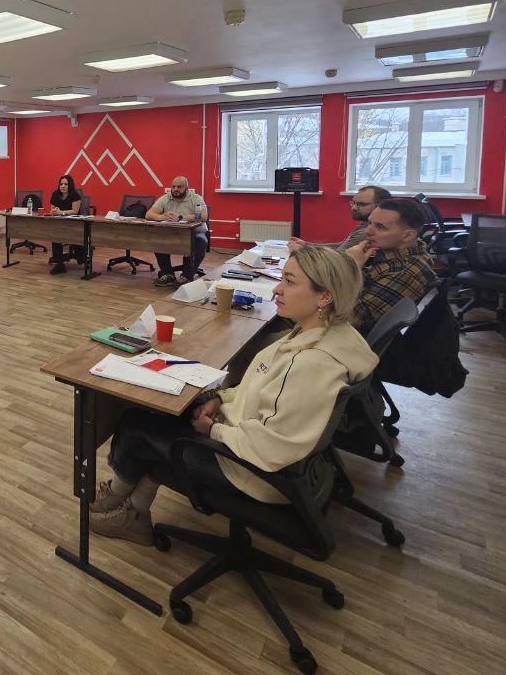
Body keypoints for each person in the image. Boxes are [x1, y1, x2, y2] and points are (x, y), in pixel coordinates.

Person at [90, 246, 376, 544]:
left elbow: (269, 447)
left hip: (253, 472)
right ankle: (132, 505)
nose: (277, 289)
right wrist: (222, 399)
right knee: (166, 412)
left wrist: (213, 430)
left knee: (135, 425)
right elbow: (261, 385)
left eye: (290, 282)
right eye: (281, 279)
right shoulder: (326, 334)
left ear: (325, 297)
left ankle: (123, 506)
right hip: (262, 450)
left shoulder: (310, 363)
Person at [345, 197, 435, 335]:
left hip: (353, 339)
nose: (368, 231)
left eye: (380, 227)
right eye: (370, 223)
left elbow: (355, 320)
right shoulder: (387, 253)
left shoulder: (404, 271)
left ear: (407, 236)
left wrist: (350, 267)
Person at [146, 176, 209, 286]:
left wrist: (180, 217)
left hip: (195, 232)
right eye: (173, 186)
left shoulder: (196, 198)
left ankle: (187, 276)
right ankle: (168, 274)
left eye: (179, 187)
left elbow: (203, 216)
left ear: (187, 188)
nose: (175, 189)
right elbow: (149, 214)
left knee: (200, 242)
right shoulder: (165, 198)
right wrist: (163, 217)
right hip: (172, 232)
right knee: (158, 239)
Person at [289, 185, 390, 253]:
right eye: (353, 203)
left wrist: (302, 251)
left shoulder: (367, 232)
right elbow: (341, 245)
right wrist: (306, 245)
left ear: (380, 206)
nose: (354, 208)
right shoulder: (365, 223)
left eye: (362, 204)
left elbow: (338, 258)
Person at [48, 174, 85, 275]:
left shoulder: (75, 195)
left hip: (74, 223)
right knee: (55, 236)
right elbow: (52, 209)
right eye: (61, 184)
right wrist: (55, 211)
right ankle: (59, 265)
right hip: (60, 223)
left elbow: (75, 211)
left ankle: (82, 257)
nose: (63, 186)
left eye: (66, 184)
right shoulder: (55, 194)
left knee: (75, 240)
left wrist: (61, 212)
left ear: (70, 185)